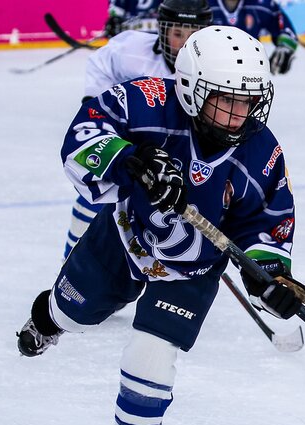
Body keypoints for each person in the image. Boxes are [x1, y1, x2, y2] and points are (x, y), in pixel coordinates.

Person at [16, 26, 305, 425]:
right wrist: (128, 157)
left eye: (249, 102)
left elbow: (267, 220)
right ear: (192, 89)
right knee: (73, 312)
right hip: (125, 237)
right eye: (225, 102)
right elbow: (81, 135)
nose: (239, 116)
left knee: (150, 352)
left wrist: (272, 276)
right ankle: (50, 316)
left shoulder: (261, 151)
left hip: (190, 267)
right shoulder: (148, 101)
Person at [64, 0, 213, 259]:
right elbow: (100, 63)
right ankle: (70, 263)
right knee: (94, 199)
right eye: (178, 34)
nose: (184, 44)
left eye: (194, 36)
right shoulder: (130, 48)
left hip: (179, 160)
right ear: (162, 30)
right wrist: (96, 104)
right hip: (131, 153)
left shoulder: (214, 68)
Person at [207, 0, 299, 75]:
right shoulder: (204, 4)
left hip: (251, 73)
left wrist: (285, 47)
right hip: (211, 70)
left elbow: (286, 30)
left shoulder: (261, 4)